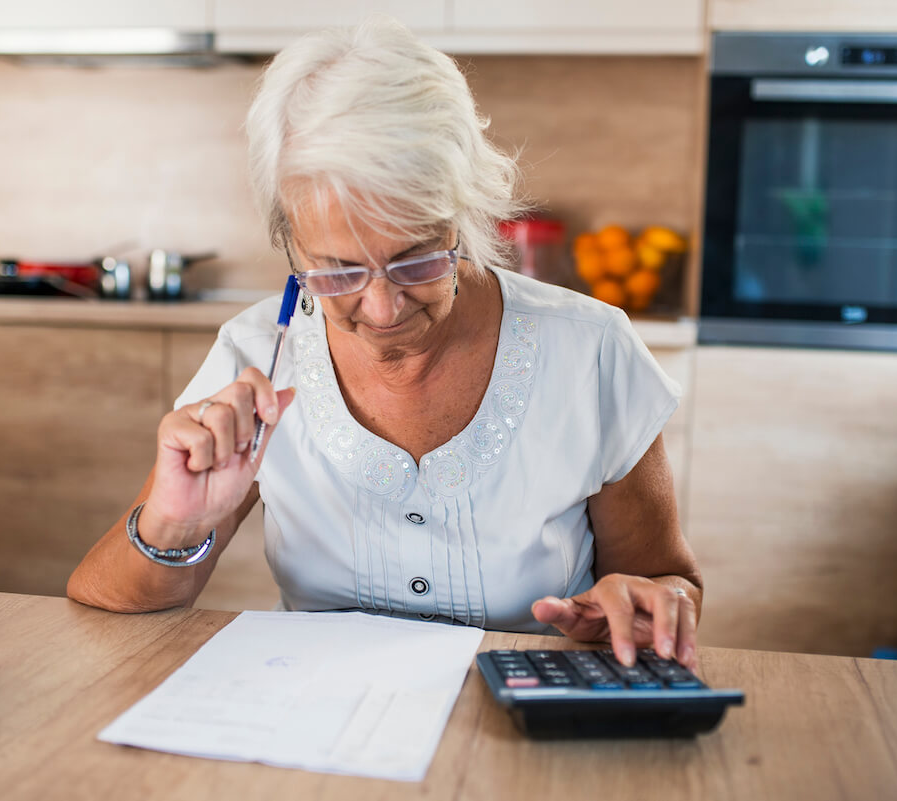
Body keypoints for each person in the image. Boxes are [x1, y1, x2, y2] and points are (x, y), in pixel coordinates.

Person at [67, 16, 702, 671]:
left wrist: (645, 605)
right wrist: (173, 524)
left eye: (417, 258)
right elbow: (102, 598)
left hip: (524, 734)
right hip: (321, 734)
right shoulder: (257, 356)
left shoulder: (591, 352)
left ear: (464, 211)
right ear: (290, 239)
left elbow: (671, 586)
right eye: (338, 269)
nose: (381, 306)